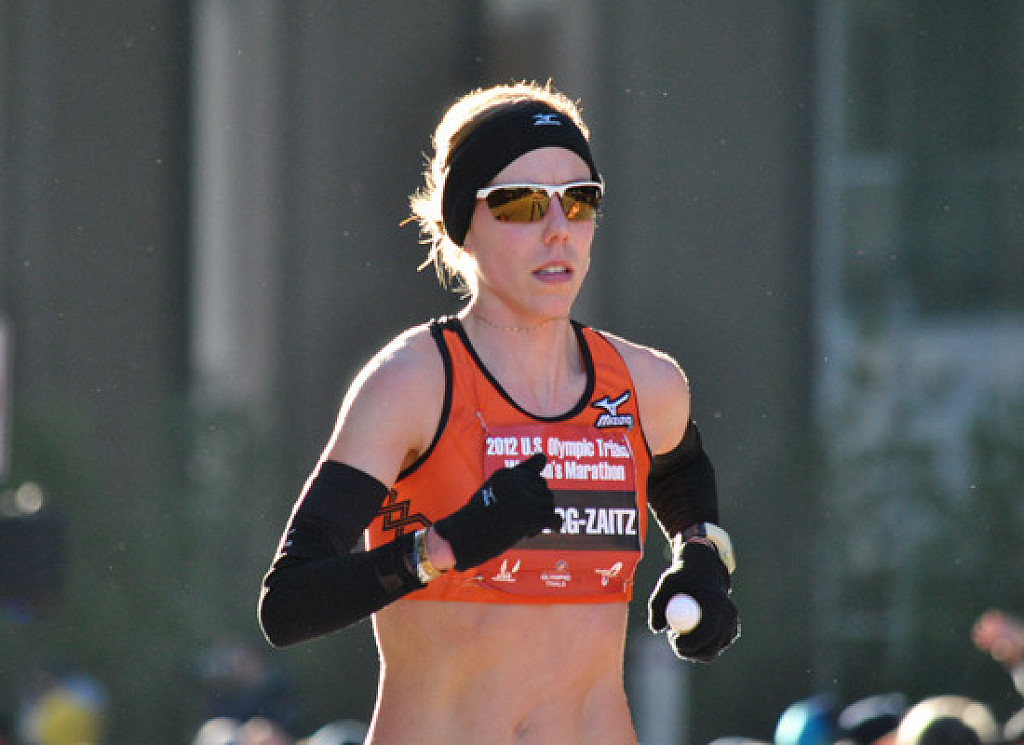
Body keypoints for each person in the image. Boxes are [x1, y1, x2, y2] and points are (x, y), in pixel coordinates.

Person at [258, 80, 740, 745]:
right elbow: (288, 603)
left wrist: (703, 555)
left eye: (580, 200)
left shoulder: (647, 385)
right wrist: (442, 547)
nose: (557, 229)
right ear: (465, 224)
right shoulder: (412, 383)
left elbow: (683, 471)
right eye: (520, 203)